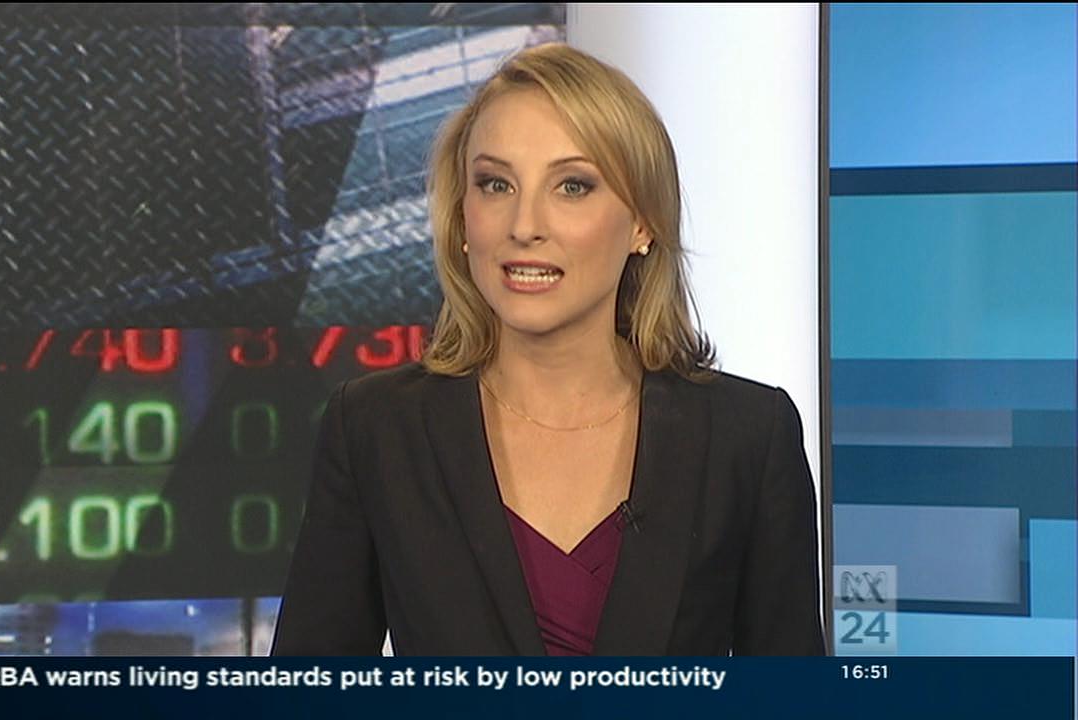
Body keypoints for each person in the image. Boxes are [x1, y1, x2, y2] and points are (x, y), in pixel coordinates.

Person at [271, 43, 824, 656]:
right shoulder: (376, 429)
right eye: (495, 184)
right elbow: (306, 688)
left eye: (572, 186)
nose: (524, 225)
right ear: (462, 218)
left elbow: (792, 692)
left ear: (641, 223)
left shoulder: (748, 437)